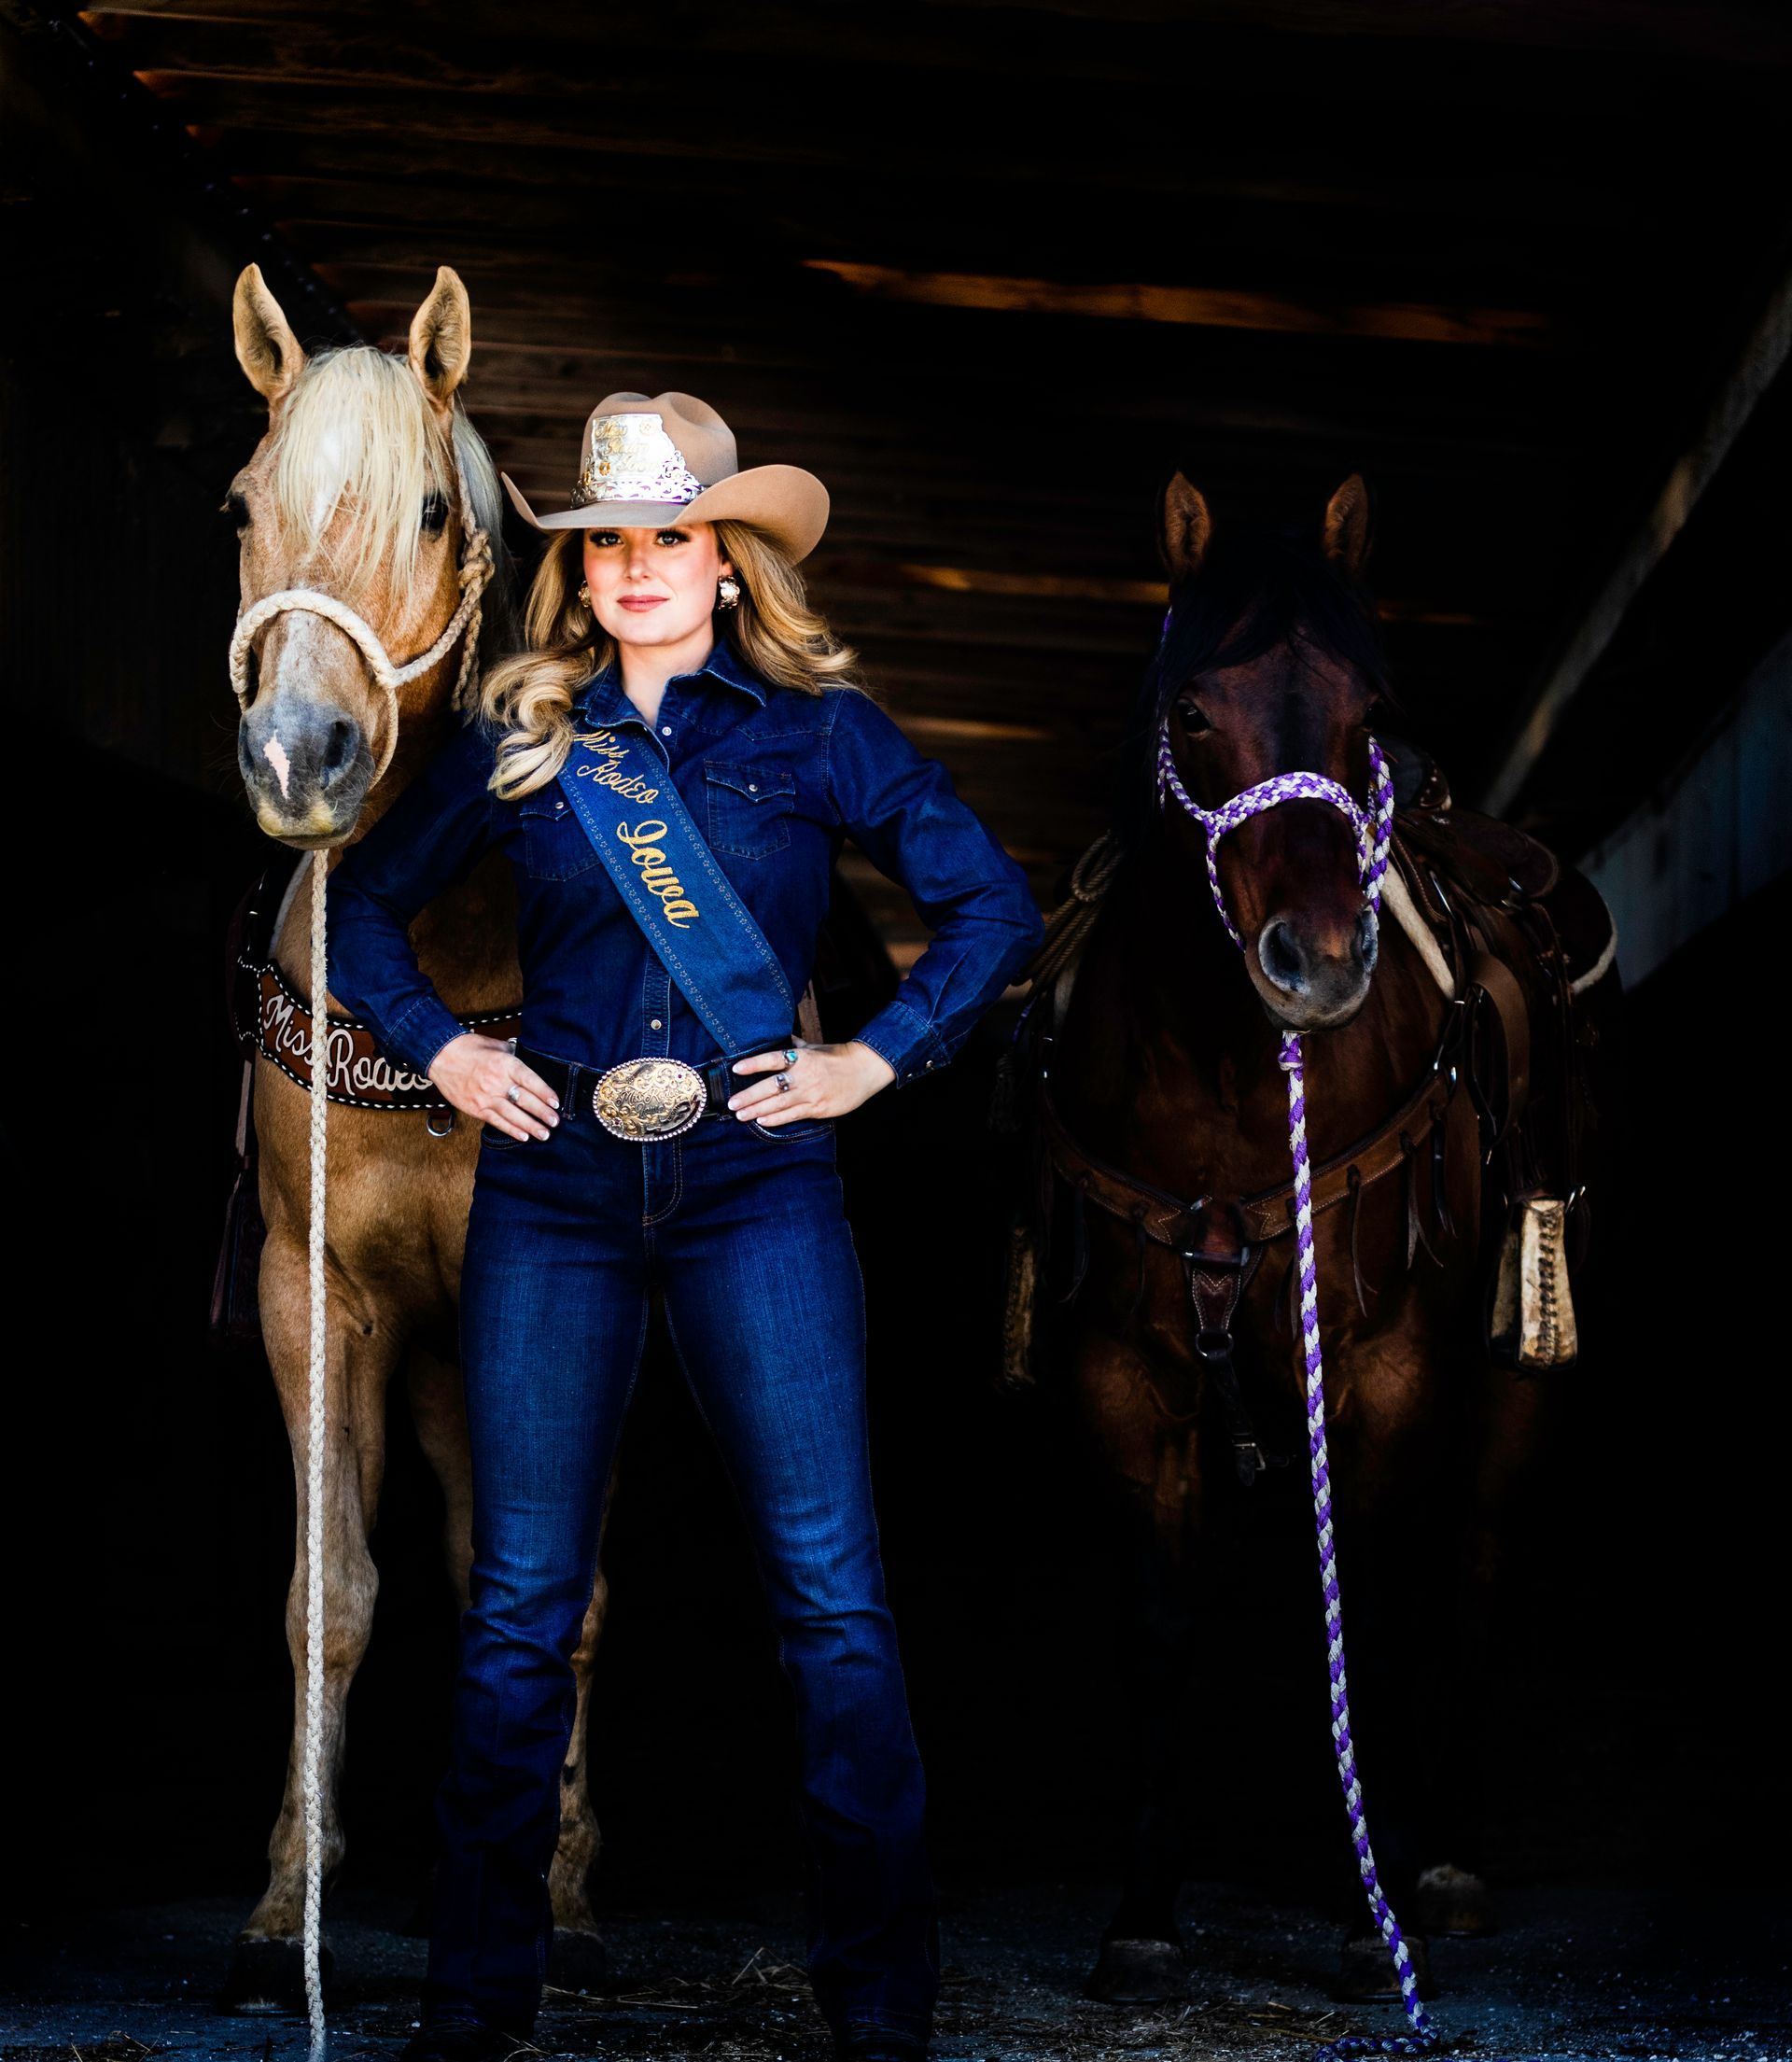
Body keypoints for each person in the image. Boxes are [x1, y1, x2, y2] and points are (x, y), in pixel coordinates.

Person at [322, 391, 1043, 2062]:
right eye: (610, 546)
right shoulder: (521, 739)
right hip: (556, 1188)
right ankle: (473, 2001)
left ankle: (880, 2001)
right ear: (581, 576)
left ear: (727, 563)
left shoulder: (821, 734)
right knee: (520, 1603)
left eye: (672, 537)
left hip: (756, 1185)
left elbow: (994, 906)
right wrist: (442, 1049)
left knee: (832, 1598)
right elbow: (359, 908)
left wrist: (874, 1059)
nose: (638, 566)